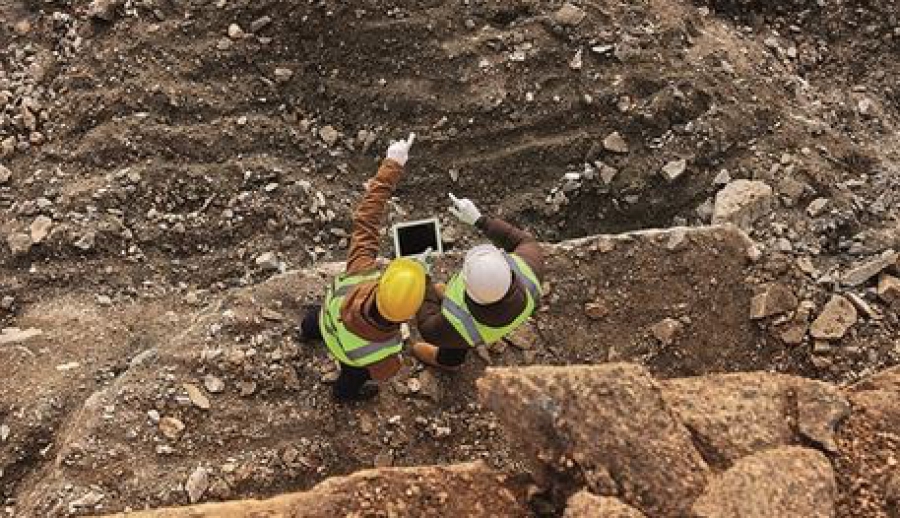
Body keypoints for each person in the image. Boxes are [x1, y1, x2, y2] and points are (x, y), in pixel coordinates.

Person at [299, 133, 427, 401]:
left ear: (382, 282)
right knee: (352, 379)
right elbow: (386, 372)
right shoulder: (388, 348)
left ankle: (306, 334)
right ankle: (343, 396)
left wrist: (392, 164)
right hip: (349, 357)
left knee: (312, 322)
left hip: (327, 321)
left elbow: (366, 219)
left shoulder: (360, 272)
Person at [411, 193, 545, 369]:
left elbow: (428, 328)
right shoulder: (531, 272)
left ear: (466, 285)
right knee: (460, 333)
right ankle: (447, 305)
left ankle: (448, 361)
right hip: (502, 319)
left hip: (464, 332)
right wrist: (481, 221)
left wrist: (423, 280)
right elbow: (523, 240)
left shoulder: (459, 324)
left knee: (455, 343)